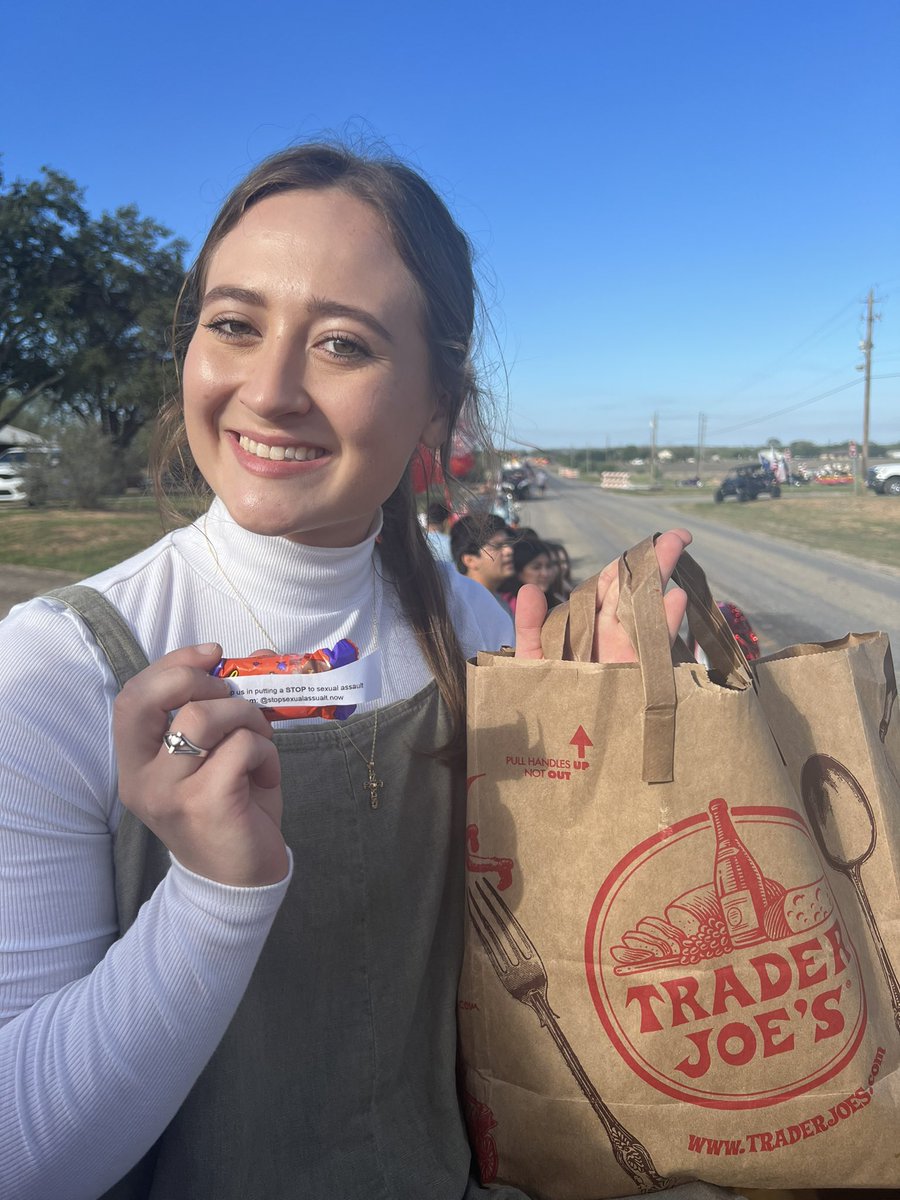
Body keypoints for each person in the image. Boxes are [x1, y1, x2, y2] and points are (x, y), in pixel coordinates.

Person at [0, 141, 696, 1200]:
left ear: (436, 402)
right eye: (234, 325)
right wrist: (212, 893)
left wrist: (640, 763)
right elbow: (25, 1159)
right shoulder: (59, 668)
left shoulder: (481, 635)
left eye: (341, 344)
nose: (270, 390)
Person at [449, 512, 515, 612]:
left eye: (508, 544)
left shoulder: (500, 603)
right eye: (497, 546)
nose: (509, 551)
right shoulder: (461, 609)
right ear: (470, 560)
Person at [498, 537, 557, 615]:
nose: (545, 573)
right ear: (519, 572)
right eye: (536, 567)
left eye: (548, 566)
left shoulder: (556, 600)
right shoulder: (506, 608)